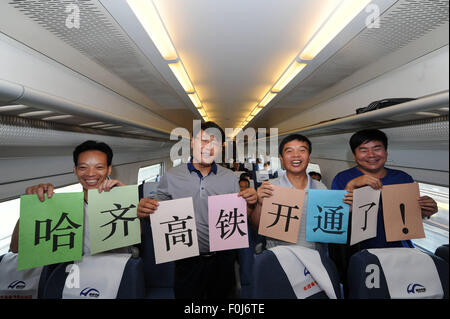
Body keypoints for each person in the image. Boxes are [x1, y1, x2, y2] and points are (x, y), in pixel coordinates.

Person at [137, 121, 257, 299]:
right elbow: (157, 218)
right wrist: (146, 212)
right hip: (187, 259)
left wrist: (250, 204)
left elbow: (238, 218)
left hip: (223, 259)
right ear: (192, 142)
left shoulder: (230, 178)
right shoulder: (171, 177)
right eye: (202, 140)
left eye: (214, 142)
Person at [329, 129, 439, 292]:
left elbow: (408, 215)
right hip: (360, 252)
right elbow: (334, 220)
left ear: (386, 152)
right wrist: (352, 186)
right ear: (354, 156)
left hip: (399, 251)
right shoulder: (343, 178)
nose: (371, 154)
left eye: (377, 148)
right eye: (364, 150)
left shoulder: (403, 178)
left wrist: (426, 211)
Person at [9, 140, 127, 255]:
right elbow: (16, 251)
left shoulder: (122, 203)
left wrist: (128, 200)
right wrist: (32, 208)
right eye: (83, 167)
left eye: (99, 167)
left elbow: (141, 234)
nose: (91, 173)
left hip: (119, 269)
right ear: (75, 170)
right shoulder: (63, 208)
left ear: (109, 170)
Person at [249, 134, 329, 252]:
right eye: (289, 151)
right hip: (278, 256)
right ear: (282, 159)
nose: (296, 155)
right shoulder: (270, 187)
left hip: (311, 256)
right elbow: (257, 228)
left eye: (302, 150)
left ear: (309, 157)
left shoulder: (321, 189)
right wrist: (260, 205)